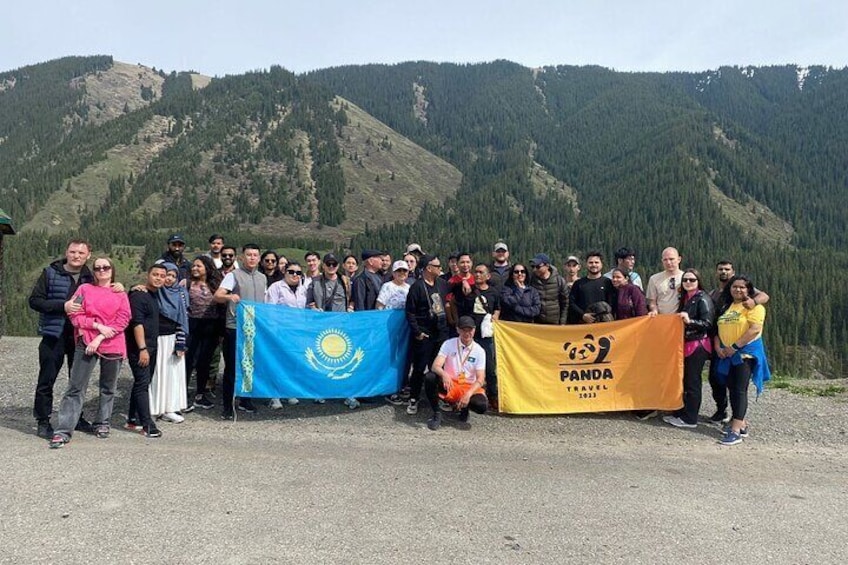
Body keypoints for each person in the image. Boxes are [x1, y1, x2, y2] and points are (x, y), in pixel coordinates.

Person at [48, 257, 131, 448]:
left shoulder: (120, 294)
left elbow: (123, 319)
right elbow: (74, 314)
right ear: (93, 271)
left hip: (112, 344)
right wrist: (96, 326)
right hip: (85, 342)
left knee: (108, 387)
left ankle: (103, 422)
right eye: (98, 268)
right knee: (76, 387)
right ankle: (63, 430)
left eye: (106, 267)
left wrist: (100, 337)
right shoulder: (84, 290)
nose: (102, 270)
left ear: (112, 270)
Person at [29, 239, 102, 439]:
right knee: (47, 379)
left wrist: (121, 287)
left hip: (82, 336)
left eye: (81, 252)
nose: (76, 256)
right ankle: (43, 420)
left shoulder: (91, 277)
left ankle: (76, 418)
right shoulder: (51, 273)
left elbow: (107, 293)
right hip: (54, 335)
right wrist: (63, 306)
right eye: (72, 252)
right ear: (66, 253)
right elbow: (35, 301)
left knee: (77, 381)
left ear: (88, 255)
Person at [707, 260, 770, 424]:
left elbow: (764, 296)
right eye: (720, 269)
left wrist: (754, 301)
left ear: (733, 271)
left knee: (738, 388)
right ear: (716, 272)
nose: (723, 272)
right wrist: (718, 344)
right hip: (720, 343)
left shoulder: (742, 288)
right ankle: (723, 411)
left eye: (727, 269)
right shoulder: (715, 294)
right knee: (717, 379)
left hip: (741, 350)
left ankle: (738, 422)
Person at [214, 244, 267, 419]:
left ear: (259, 258)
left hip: (253, 329)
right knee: (231, 368)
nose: (252, 258)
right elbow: (217, 296)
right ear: (242, 257)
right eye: (248, 255)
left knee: (250, 366)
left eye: (255, 255)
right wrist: (230, 297)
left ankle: (245, 400)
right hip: (234, 328)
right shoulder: (233, 276)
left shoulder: (262, 278)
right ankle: (228, 406)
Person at [662, 269, 714, 429]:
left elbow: (707, 323)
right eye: (685, 280)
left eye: (692, 280)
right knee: (684, 380)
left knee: (693, 382)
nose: (688, 283)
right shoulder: (687, 298)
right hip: (687, 344)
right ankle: (682, 412)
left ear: (698, 281)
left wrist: (689, 321)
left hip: (698, 345)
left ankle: (691, 418)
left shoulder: (703, 298)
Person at [125, 263, 167, 438]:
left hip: (152, 344)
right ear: (148, 275)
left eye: (162, 276)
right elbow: (137, 323)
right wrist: (142, 348)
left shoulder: (153, 295)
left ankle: (132, 419)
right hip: (141, 347)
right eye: (155, 274)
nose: (158, 278)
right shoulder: (138, 296)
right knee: (142, 384)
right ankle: (147, 424)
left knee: (143, 382)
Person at [424, 316, 488, 431]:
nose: (467, 333)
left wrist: (468, 394)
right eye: (463, 330)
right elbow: (435, 366)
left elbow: (480, 379)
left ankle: (464, 408)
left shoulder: (479, 351)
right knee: (430, 377)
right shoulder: (449, 344)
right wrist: (444, 374)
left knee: (481, 406)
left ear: (474, 330)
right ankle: (437, 413)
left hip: (467, 385)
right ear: (458, 330)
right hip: (450, 383)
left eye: (470, 330)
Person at [405, 254, 449, 416]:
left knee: (438, 367)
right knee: (419, 368)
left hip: (441, 334)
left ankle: (437, 397)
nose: (440, 268)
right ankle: (414, 397)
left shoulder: (442, 284)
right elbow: (410, 312)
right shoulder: (416, 287)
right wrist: (417, 332)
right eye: (437, 266)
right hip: (424, 334)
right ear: (429, 268)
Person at [454, 264, 501, 410]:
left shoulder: (494, 292)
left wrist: (495, 316)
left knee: (489, 368)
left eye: (481, 272)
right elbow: (456, 301)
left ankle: (493, 395)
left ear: (488, 276)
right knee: (465, 366)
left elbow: (498, 308)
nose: (478, 274)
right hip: (470, 335)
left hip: (485, 335)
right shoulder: (469, 291)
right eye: (476, 272)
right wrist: (464, 286)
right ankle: (461, 394)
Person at [149, 263, 190, 423]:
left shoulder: (179, 294)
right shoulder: (153, 293)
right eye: (167, 275)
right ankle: (153, 409)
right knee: (157, 375)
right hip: (157, 339)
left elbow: (183, 319)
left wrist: (181, 343)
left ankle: (169, 408)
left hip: (173, 339)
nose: (169, 279)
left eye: (173, 276)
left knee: (172, 375)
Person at [185, 255, 223, 411]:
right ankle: (182, 394)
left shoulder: (216, 285)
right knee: (188, 361)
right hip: (191, 326)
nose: (195, 268)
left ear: (207, 268)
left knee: (204, 362)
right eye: (193, 266)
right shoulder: (185, 284)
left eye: (198, 266)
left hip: (211, 327)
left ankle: (200, 394)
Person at [568, 251, 616, 324]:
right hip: (583, 323)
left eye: (596, 262)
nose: (593, 265)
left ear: (601, 264)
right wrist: (583, 315)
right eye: (590, 262)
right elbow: (571, 303)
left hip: (604, 324)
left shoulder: (608, 283)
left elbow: (612, 303)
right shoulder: (578, 283)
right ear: (586, 264)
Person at [528, 253, 568, 325]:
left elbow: (565, 303)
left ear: (547, 266)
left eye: (538, 267)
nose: (534, 269)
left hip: (555, 323)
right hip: (537, 323)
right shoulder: (531, 280)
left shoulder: (559, 281)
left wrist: (562, 322)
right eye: (533, 266)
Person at [646, 247, 684, 315]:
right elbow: (652, 301)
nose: (668, 262)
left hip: (680, 319)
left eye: (671, 259)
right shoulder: (654, 279)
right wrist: (654, 310)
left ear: (679, 259)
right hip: (662, 319)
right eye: (665, 260)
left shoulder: (687, 278)